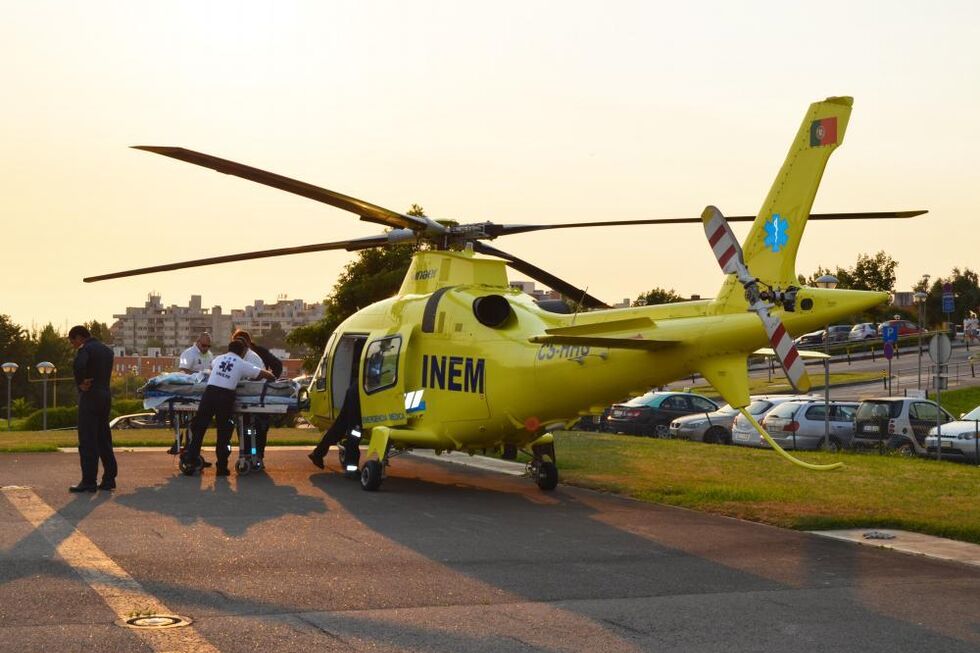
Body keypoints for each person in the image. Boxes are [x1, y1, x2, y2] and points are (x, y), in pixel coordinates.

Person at [180, 340, 274, 476]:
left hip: (209, 394)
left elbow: (214, 370)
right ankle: (221, 467)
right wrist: (272, 376)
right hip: (225, 397)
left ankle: (191, 460)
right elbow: (264, 374)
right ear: (243, 352)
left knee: (199, 428)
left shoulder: (218, 359)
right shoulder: (242, 363)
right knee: (223, 432)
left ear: (228, 348)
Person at [67, 325, 117, 493]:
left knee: (88, 439)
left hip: (90, 396)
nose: (73, 345)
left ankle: (89, 481)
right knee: (104, 437)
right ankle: (109, 479)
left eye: (72, 341)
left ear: (79, 337)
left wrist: (81, 382)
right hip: (105, 395)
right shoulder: (107, 350)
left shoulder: (85, 349)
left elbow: (79, 364)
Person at [231, 329, 283, 466]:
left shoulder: (251, 356)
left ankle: (254, 454)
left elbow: (254, 374)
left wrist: (269, 382)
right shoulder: (249, 354)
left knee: (254, 427)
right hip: (253, 395)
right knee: (251, 427)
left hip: (255, 396)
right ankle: (253, 454)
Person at [308, 380, 362, 475]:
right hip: (359, 393)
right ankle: (351, 469)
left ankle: (317, 453)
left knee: (339, 428)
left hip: (357, 390)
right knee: (354, 433)